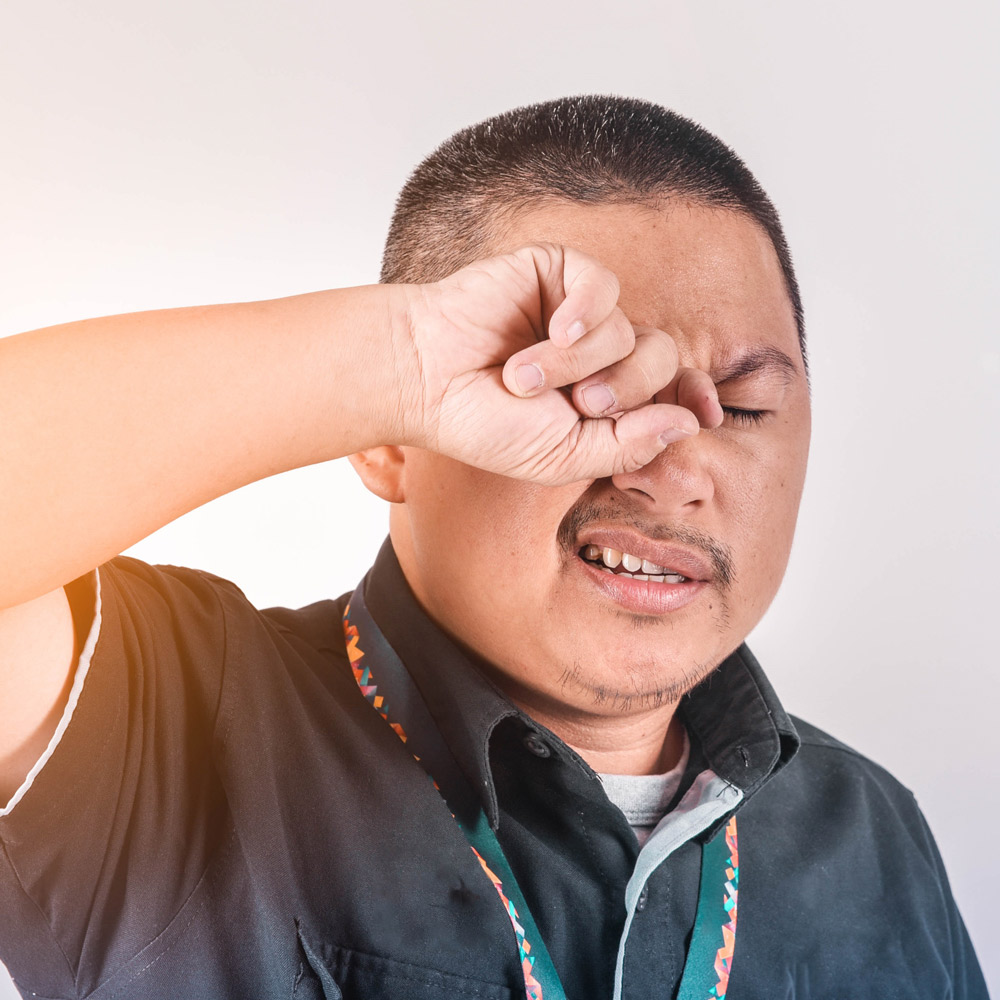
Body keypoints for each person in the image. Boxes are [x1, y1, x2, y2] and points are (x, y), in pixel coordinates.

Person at [0, 95, 986, 1000]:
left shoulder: (871, 831)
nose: (673, 466)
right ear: (388, 439)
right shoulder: (174, 725)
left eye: (743, 405)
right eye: (584, 390)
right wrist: (397, 362)